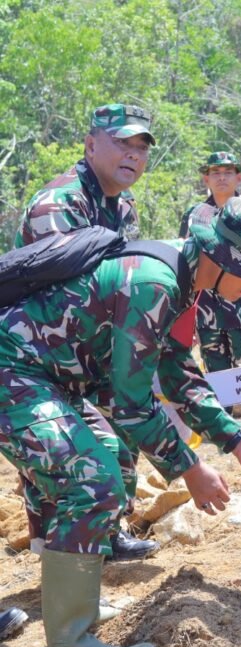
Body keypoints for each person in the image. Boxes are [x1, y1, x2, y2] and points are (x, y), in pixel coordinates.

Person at [0, 197, 241, 647]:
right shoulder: (154, 282)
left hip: (48, 377)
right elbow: (131, 402)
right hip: (14, 370)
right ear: (220, 259)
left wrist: (236, 439)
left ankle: (77, 609)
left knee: (110, 459)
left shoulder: (182, 276)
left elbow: (176, 369)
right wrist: (190, 469)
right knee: (91, 480)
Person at [16, 103, 158, 561]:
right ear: (91, 144)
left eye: (141, 148)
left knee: (115, 440)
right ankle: (55, 551)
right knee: (64, 457)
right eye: (122, 143)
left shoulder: (123, 207)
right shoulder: (58, 205)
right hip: (35, 356)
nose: (133, 155)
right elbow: (62, 296)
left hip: (87, 354)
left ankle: (105, 535)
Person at [180, 152, 241, 427]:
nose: (221, 178)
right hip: (206, 313)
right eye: (215, 172)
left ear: (239, 177)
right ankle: (229, 439)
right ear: (206, 178)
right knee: (218, 380)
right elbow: (185, 268)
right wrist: (185, 319)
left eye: (227, 172)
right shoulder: (194, 216)